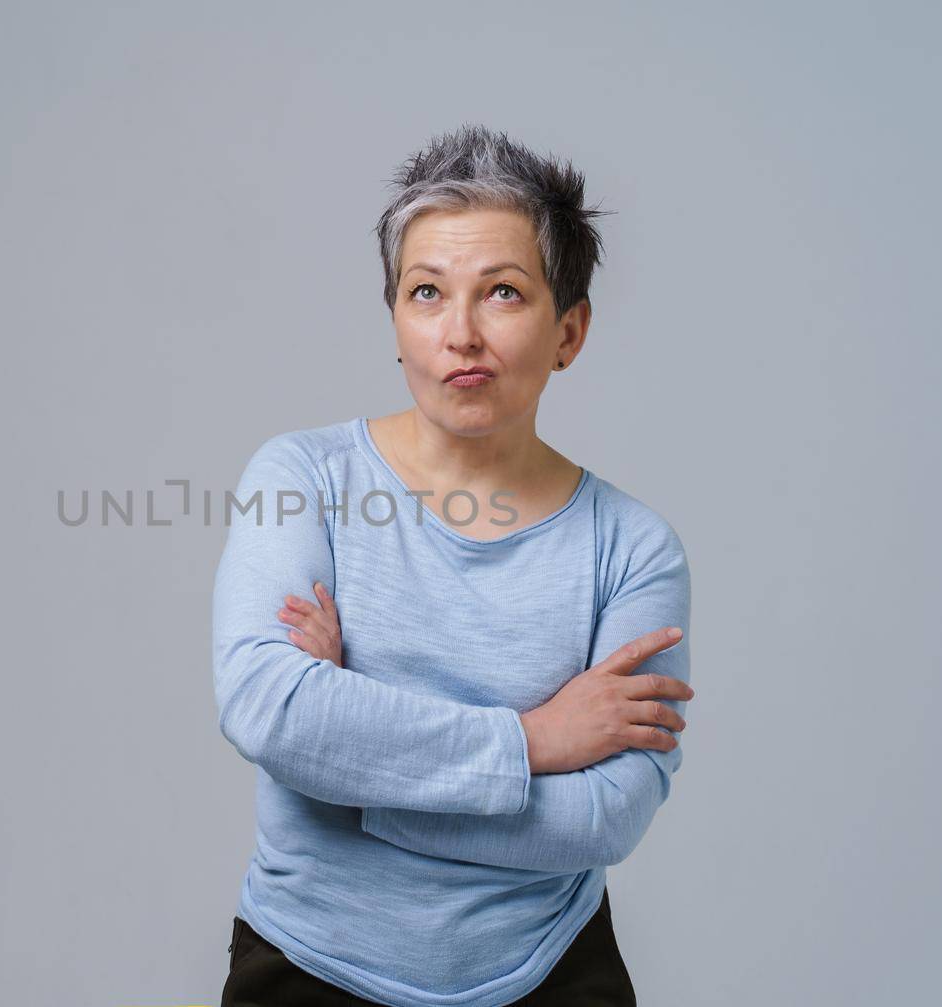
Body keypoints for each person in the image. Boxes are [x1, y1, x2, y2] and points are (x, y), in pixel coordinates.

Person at [211, 124, 694, 1007]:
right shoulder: (302, 479)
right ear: (395, 317)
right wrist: (535, 741)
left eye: (503, 292)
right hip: (309, 966)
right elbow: (268, 710)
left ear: (568, 331)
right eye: (426, 291)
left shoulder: (633, 547)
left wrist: (350, 778)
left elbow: (606, 815)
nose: (460, 333)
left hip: (551, 974)